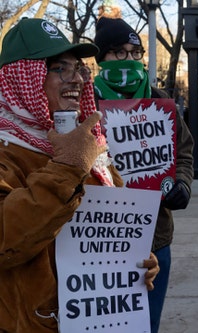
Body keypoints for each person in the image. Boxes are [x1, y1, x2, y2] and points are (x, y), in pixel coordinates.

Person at [0, 18, 159, 332]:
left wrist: (136, 260)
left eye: (80, 69)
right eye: (61, 68)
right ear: (23, 80)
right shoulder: (7, 150)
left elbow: (111, 227)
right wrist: (66, 169)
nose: (78, 80)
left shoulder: (88, 145)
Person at [93, 5, 195, 333]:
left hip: (155, 236)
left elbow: (184, 151)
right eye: (118, 52)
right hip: (100, 239)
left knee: (146, 325)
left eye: (135, 52)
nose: (129, 59)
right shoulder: (86, 102)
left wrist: (182, 183)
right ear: (101, 58)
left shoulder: (158, 99)